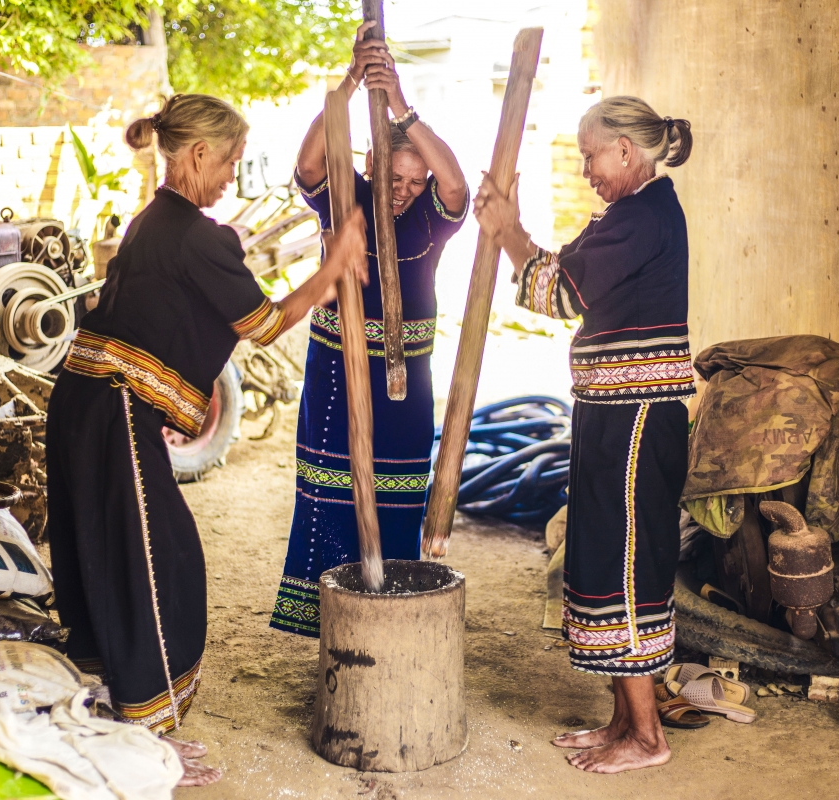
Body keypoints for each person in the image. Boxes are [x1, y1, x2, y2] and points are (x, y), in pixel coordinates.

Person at [45, 93, 368, 785]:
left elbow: (181, 305)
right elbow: (261, 324)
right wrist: (334, 264)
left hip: (86, 401)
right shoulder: (192, 233)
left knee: (106, 554)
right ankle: (146, 738)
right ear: (195, 155)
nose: (230, 175)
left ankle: (117, 719)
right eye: (227, 161)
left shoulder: (157, 223)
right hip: (112, 409)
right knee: (157, 566)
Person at [473, 96, 695, 774]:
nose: (585, 168)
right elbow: (559, 274)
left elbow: (560, 291)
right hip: (611, 415)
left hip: (634, 421)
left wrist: (508, 230)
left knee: (626, 569)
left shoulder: (644, 217)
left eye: (591, 153)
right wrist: (514, 234)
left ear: (627, 150)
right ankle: (622, 721)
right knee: (602, 557)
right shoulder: (630, 216)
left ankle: (649, 739)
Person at [270, 22, 468, 636]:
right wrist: (350, 85)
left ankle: (391, 619)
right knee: (330, 498)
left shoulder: (432, 219)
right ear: (372, 163)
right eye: (396, 178)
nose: (406, 192)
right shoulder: (347, 194)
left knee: (400, 494)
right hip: (336, 371)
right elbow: (306, 164)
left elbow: (456, 184)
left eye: (415, 182)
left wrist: (403, 107)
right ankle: (331, 624)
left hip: (405, 385)